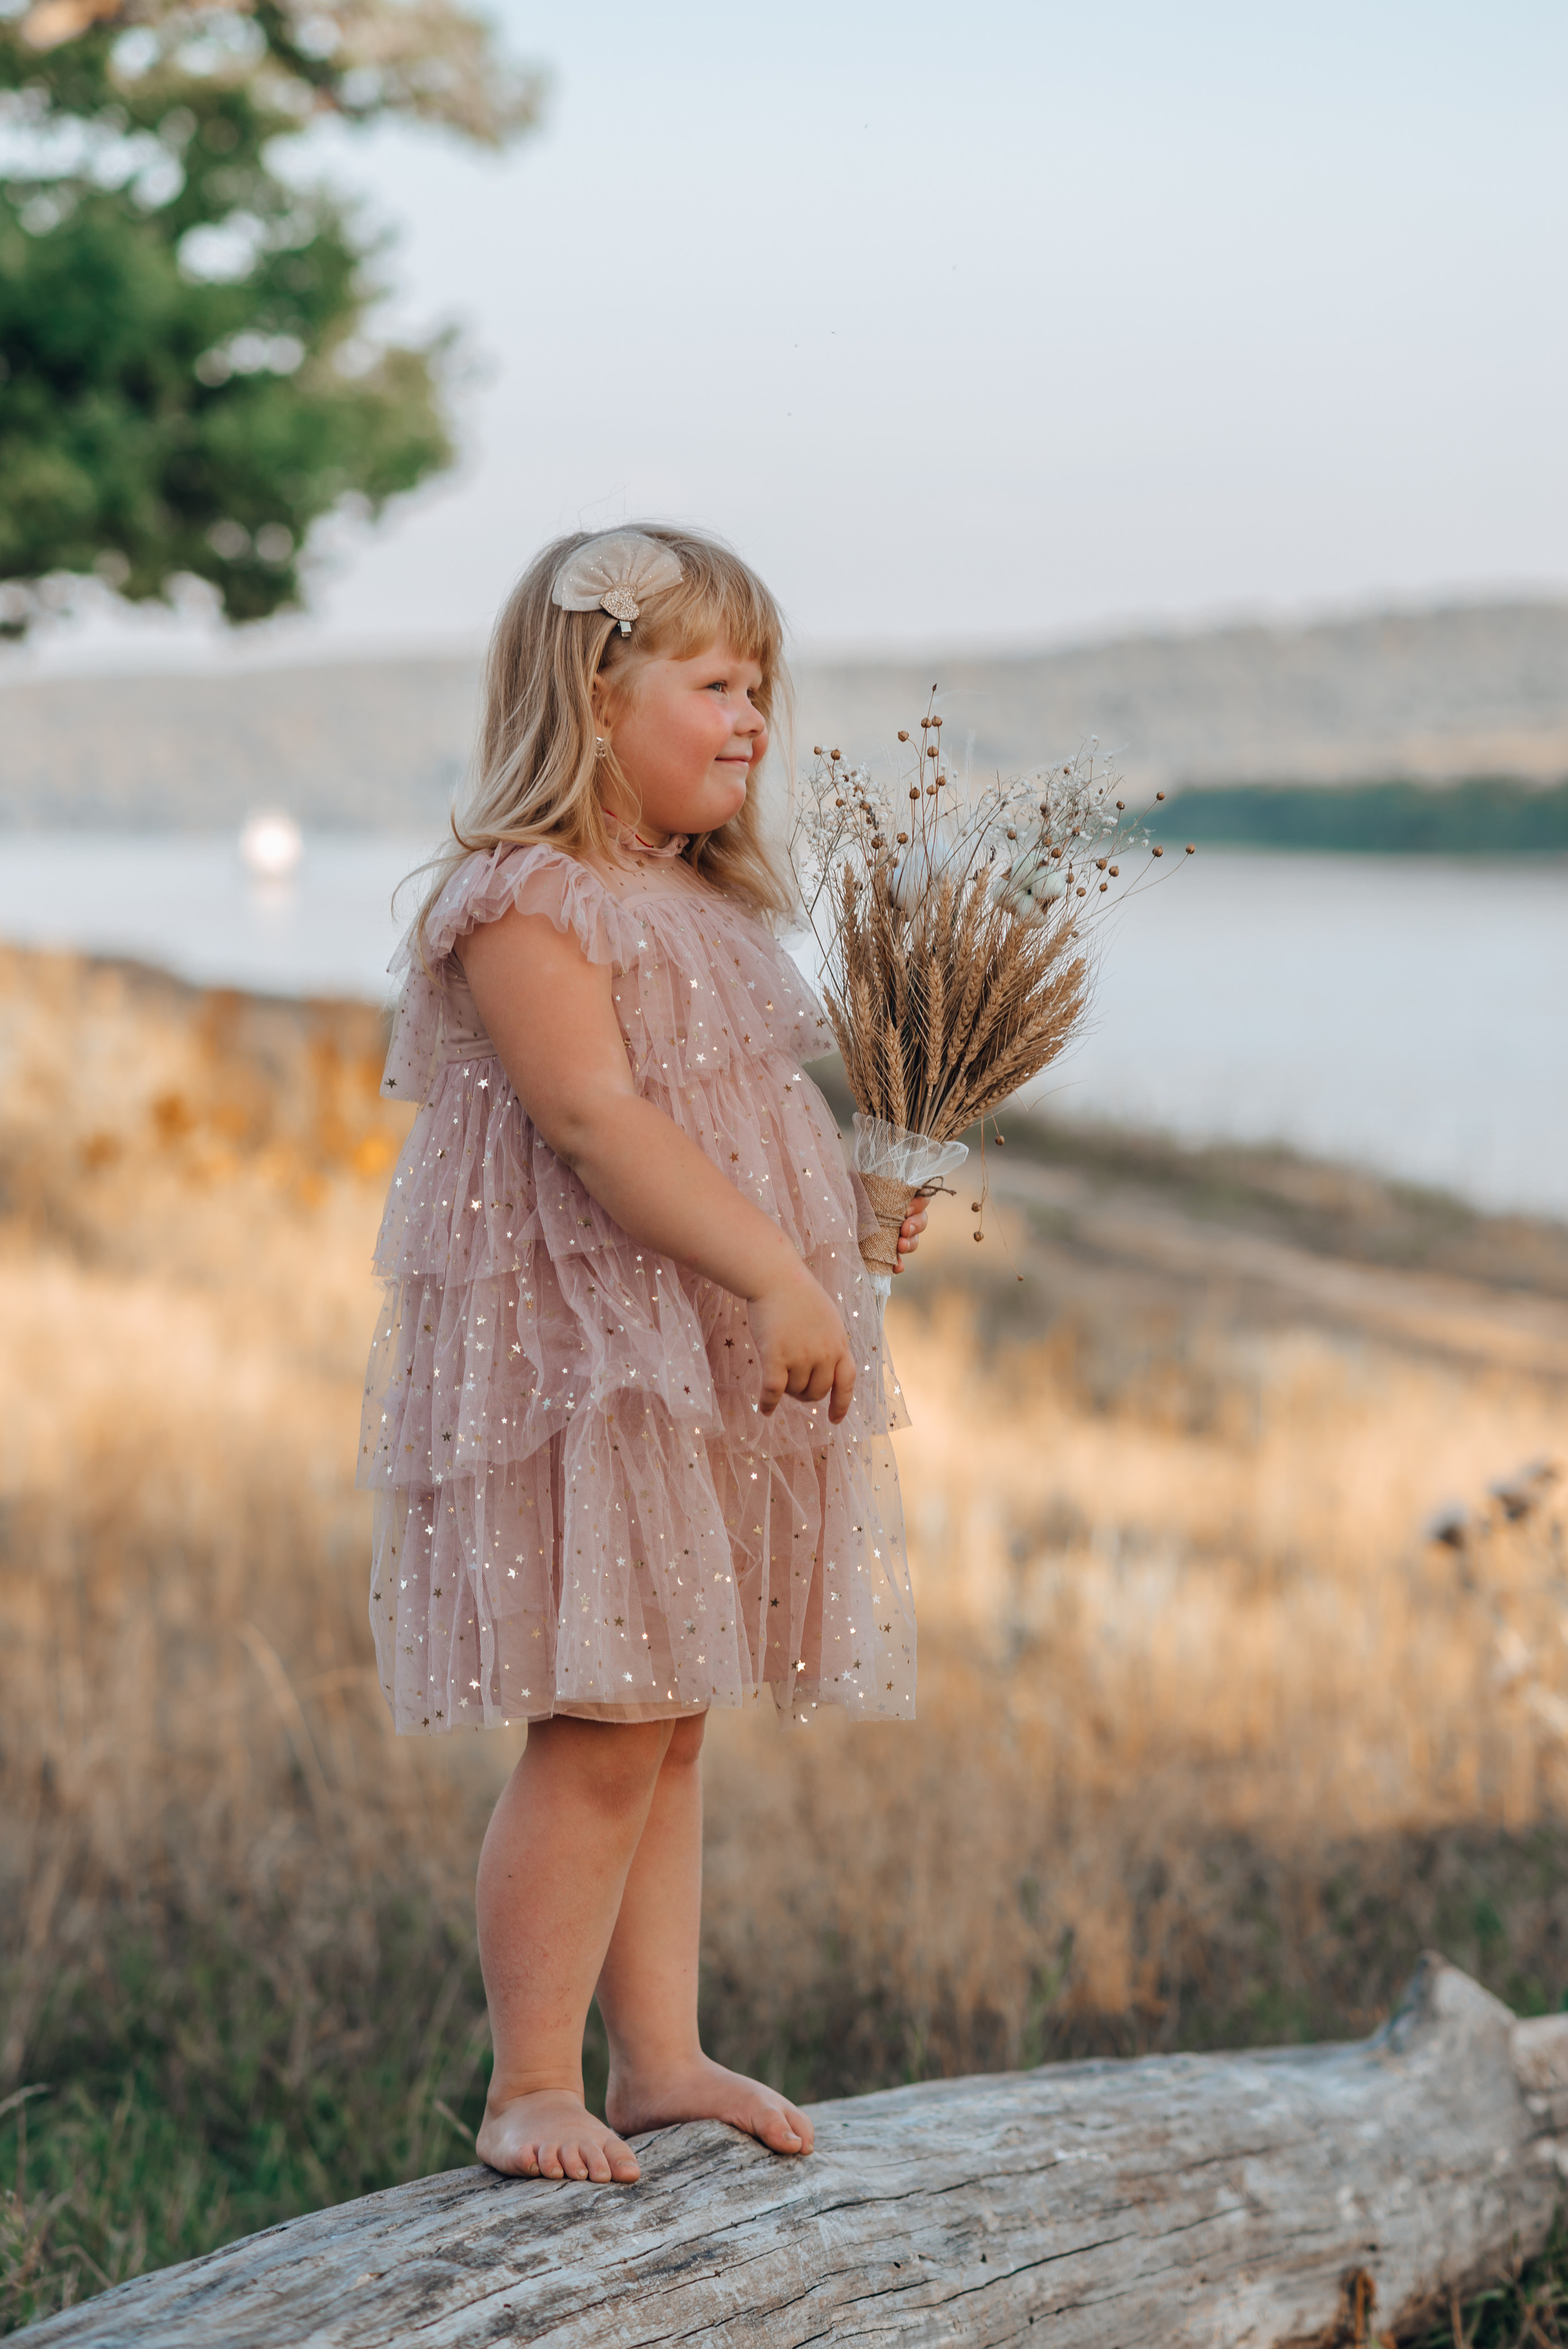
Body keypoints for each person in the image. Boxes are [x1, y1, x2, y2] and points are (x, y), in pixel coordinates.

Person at [359, 525, 927, 2187]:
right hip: (600, 1355)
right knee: (603, 1717)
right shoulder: (528, 899)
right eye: (718, 683)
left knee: (672, 1711)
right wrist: (769, 1271)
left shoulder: (708, 904)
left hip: (710, 1343)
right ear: (596, 695)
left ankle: (660, 2055)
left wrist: (838, 1219)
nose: (755, 718)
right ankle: (533, 2078)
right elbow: (600, 1127)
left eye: (765, 688)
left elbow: (734, 1122)